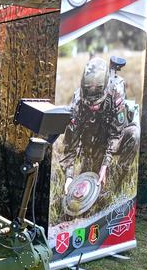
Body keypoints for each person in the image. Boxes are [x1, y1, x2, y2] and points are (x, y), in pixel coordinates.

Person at [60, 57, 140, 194]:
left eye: (97, 103)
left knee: (134, 134)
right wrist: (68, 177)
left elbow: (117, 133)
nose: (93, 107)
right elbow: (70, 145)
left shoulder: (116, 91)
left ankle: (119, 179)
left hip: (113, 135)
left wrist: (105, 164)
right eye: (90, 104)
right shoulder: (78, 102)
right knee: (89, 183)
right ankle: (93, 164)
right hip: (92, 141)